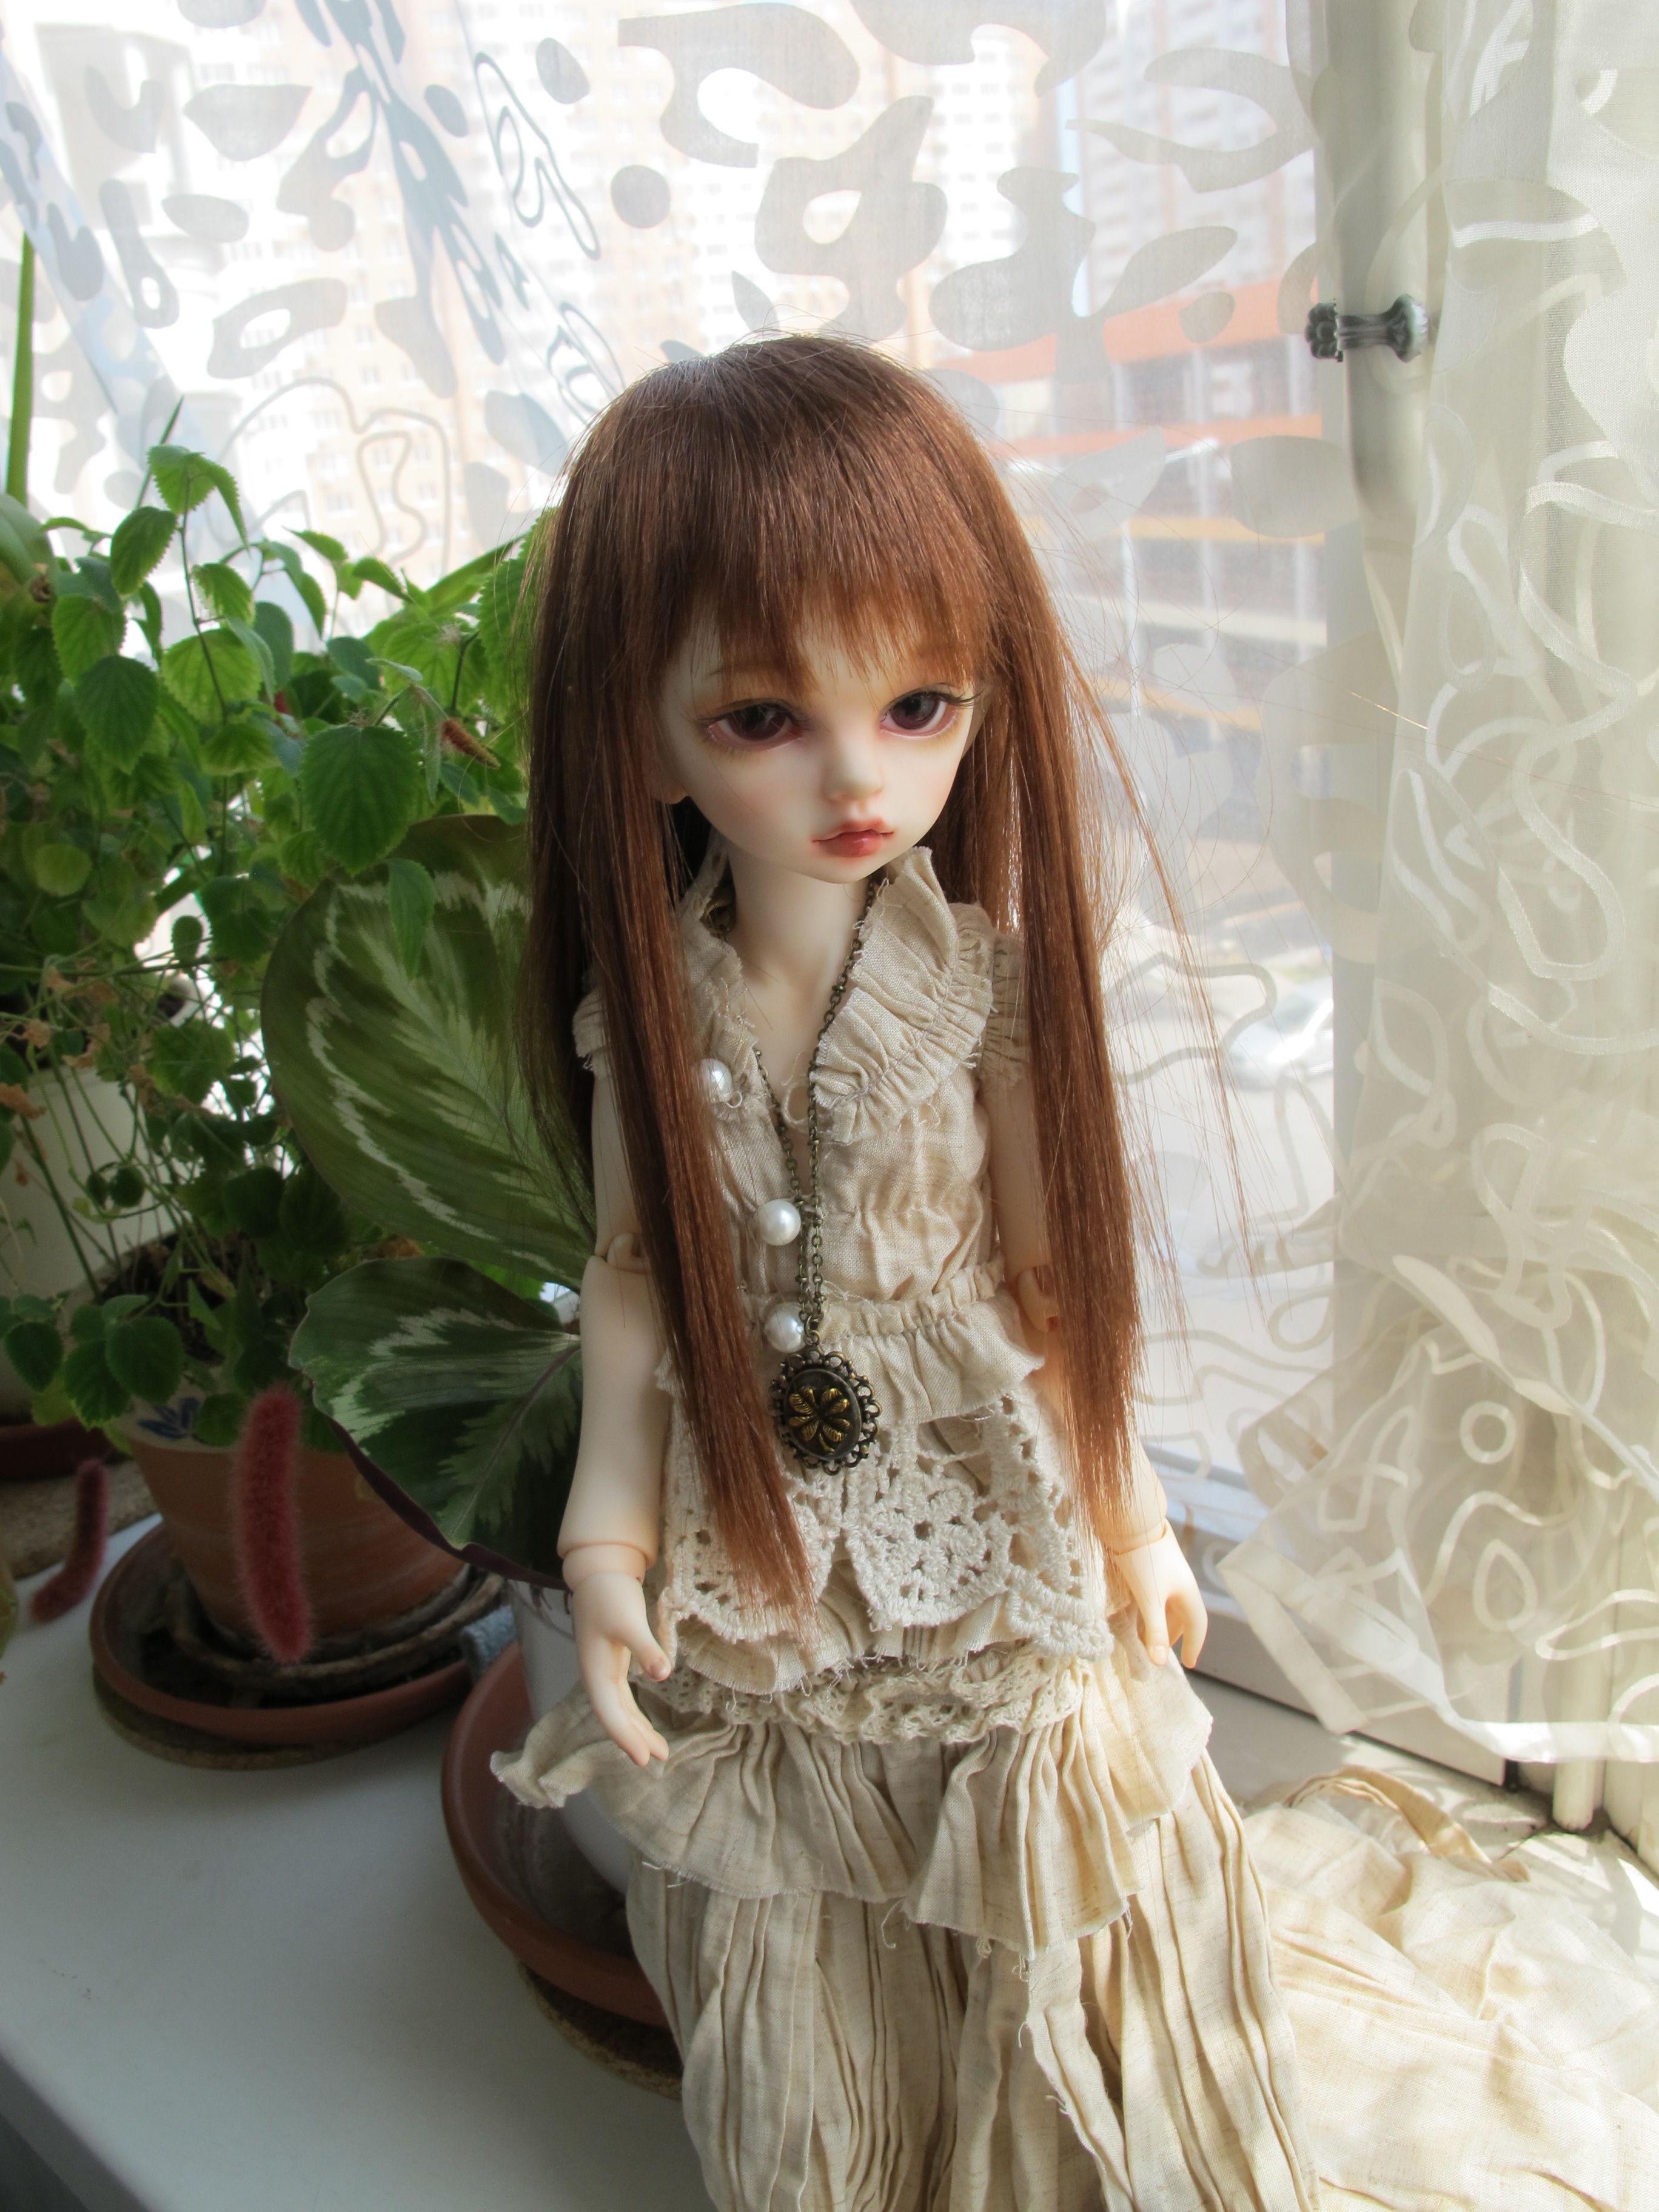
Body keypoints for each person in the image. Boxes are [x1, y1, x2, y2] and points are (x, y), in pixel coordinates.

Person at [495, 335, 1659, 2212]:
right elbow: (636, 1276)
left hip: (985, 1504)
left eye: (919, 705)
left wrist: (1131, 1522)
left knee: (1033, 1810)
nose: (860, 776)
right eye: (765, 718)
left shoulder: (985, 993)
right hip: (761, 1519)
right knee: (814, 1866)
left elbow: (1052, 1299)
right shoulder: (651, 1016)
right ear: (639, 737)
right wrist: (606, 1541)